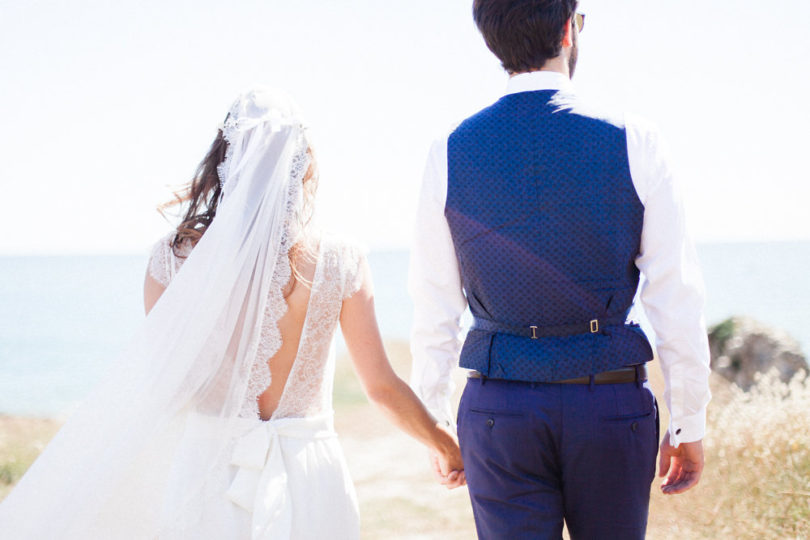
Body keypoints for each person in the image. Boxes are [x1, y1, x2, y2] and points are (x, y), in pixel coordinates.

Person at [0, 87, 463, 539]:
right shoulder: (340, 260)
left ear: (224, 161)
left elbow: (164, 388)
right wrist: (442, 442)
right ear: (303, 166)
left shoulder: (172, 260)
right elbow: (380, 387)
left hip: (207, 474)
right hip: (308, 475)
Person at [409, 2, 712, 538]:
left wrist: (433, 422)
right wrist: (689, 418)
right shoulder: (635, 139)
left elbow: (434, 302)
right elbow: (676, 294)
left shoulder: (448, 151)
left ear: (489, 41)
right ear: (570, 29)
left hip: (499, 412)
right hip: (610, 406)